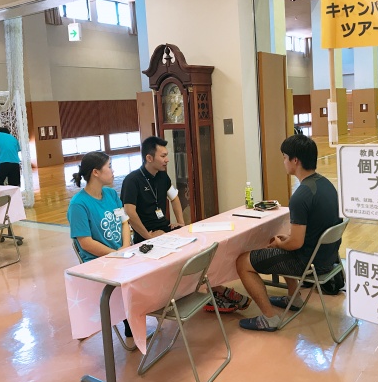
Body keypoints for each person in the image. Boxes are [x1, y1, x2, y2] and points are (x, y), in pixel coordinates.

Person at [121, 136, 250, 313]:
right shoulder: (132, 180)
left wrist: (180, 223)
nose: (167, 159)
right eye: (163, 156)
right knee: (185, 263)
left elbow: (174, 198)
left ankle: (215, 290)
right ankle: (215, 292)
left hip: (166, 232)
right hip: (146, 240)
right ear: (149, 158)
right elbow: (130, 212)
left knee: (200, 252)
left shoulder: (162, 176)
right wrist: (148, 236)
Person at [235, 134, 342, 332]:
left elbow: (295, 244)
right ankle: (295, 298)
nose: (283, 161)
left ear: (295, 160)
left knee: (242, 261)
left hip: (309, 264)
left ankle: (269, 318)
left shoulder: (301, 196)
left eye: (284, 157)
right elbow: (307, 234)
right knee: (282, 242)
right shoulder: (326, 185)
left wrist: (281, 243)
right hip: (327, 258)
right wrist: (287, 240)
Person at [67, 151, 134, 342]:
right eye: (109, 167)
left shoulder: (111, 194)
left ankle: (138, 312)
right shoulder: (78, 205)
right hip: (99, 261)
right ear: (96, 172)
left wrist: (125, 247)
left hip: (121, 254)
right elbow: (86, 243)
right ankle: (128, 317)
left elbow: (124, 222)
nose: (113, 171)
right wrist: (116, 254)